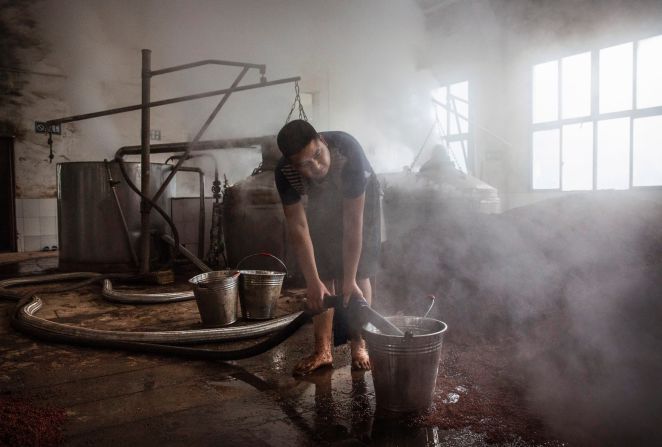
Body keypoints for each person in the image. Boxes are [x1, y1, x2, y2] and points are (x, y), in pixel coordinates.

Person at [275, 119, 381, 375]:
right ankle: (323, 350)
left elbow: (353, 224)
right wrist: (312, 281)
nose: (316, 166)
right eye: (305, 164)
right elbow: (299, 229)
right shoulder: (284, 173)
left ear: (322, 140)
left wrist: (350, 278)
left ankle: (359, 343)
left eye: (318, 155)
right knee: (322, 271)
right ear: (292, 165)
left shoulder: (348, 151)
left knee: (359, 274)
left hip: (360, 199)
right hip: (322, 200)